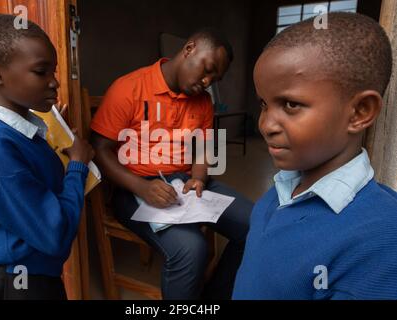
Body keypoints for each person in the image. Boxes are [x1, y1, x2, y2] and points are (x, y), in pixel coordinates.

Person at [233, 12, 397, 300]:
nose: (265, 125)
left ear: (360, 112)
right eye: (263, 104)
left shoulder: (380, 243)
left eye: (290, 104)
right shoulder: (280, 192)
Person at [91, 27, 253, 299]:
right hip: (133, 187)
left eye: (215, 78)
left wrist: (199, 178)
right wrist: (142, 188)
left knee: (256, 225)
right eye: (207, 69)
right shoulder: (129, 87)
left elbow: (201, 150)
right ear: (189, 49)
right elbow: (100, 150)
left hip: (186, 183)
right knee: (191, 248)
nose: (207, 81)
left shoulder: (203, 102)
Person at [0, 14, 94, 300]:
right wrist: (77, 166)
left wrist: (53, 137)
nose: (54, 83)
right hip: (14, 285)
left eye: (53, 72)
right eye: (41, 72)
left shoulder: (24, 129)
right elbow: (55, 234)